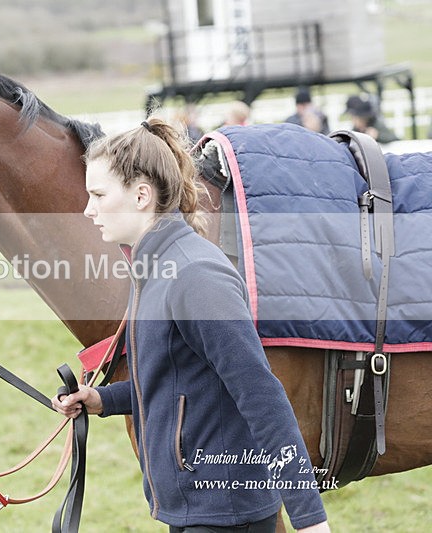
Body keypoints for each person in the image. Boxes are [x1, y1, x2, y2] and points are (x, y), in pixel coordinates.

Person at [52, 118, 330, 532]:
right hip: (195, 510)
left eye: (98, 195)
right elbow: (181, 378)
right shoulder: (152, 267)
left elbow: (260, 394)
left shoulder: (195, 275)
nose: (88, 209)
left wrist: (309, 518)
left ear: (141, 195)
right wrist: (103, 400)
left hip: (227, 514)